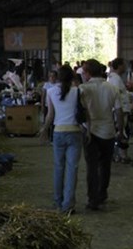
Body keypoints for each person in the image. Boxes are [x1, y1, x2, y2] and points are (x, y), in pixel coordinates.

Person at [79, 59, 123, 211]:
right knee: (105, 165)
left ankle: (93, 199)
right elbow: (118, 111)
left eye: (84, 71)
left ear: (89, 73)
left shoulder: (83, 89)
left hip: (90, 130)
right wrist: (120, 129)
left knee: (91, 167)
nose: (83, 74)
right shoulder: (112, 88)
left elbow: (81, 112)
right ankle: (102, 194)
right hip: (108, 131)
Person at [39, 65, 82, 215]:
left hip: (58, 132)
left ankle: (58, 201)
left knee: (58, 168)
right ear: (72, 78)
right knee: (72, 169)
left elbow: (50, 114)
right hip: (75, 132)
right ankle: (68, 205)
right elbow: (84, 113)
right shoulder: (77, 91)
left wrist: (44, 129)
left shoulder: (50, 92)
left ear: (57, 77)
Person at [107, 58, 132, 163]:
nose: (125, 67)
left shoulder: (114, 78)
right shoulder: (115, 79)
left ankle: (117, 155)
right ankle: (121, 156)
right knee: (122, 132)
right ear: (120, 66)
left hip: (119, 109)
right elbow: (116, 96)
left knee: (120, 131)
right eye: (124, 65)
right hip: (119, 110)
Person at [41, 70, 59, 141]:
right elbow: (43, 96)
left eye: (53, 76)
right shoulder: (46, 85)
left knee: (54, 122)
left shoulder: (58, 85)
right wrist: (42, 105)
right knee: (47, 120)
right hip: (47, 105)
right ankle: (47, 135)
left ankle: (52, 137)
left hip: (55, 106)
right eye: (50, 76)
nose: (51, 78)